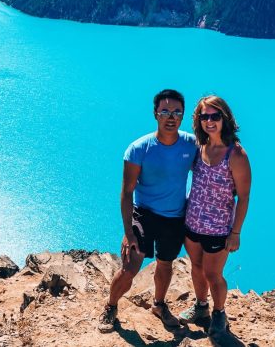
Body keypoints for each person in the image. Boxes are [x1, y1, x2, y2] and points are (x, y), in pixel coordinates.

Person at [98, 89, 197, 333]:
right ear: (155, 114)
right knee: (130, 267)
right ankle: (111, 306)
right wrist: (128, 232)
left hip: (175, 217)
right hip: (144, 214)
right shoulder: (138, 149)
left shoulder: (191, 144)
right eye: (165, 111)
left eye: (176, 112)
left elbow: (211, 169)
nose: (170, 117)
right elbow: (126, 192)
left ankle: (159, 305)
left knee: (166, 263)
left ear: (182, 116)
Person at [178, 95, 251, 336]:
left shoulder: (236, 154)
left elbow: (244, 197)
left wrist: (236, 232)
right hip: (192, 222)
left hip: (219, 228)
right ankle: (201, 307)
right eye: (204, 117)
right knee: (196, 268)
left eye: (214, 116)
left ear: (224, 118)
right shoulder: (198, 148)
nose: (209, 121)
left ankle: (219, 313)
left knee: (213, 274)